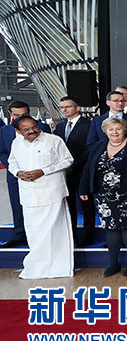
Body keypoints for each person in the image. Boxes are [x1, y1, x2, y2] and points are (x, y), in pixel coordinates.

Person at [79, 118, 127, 277]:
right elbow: (88, 169)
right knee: (111, 229)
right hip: (104, 196)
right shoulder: (98, 146)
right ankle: (113, 263)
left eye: (118, 128)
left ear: (125, 130)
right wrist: (83, 188)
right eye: (111, 129)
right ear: (105, 131)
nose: (115, 132)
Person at [8, 116, 74, 279]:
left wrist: (43, 171)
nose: (32, 131)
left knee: (55, 231)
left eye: (34, 127)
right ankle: (37, 267)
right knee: (34, 232)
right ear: (18, 131)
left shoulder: (53, 140)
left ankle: (60, 268)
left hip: (53, 192)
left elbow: (68, 160)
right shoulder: (16, 143)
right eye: (26, 129)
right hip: (29, 195)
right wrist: (18, 173)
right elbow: (12, 163)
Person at [0, 101, 51, 248]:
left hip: (38, 175)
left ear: (29, 113)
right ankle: (19, 235)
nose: (20, 118)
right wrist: (16, 170)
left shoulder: (42, 128)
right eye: (16, 115)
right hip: (15, 175)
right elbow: (3, 152)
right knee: (17, 205)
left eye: (24, 115)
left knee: (40, 205)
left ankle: (41, 235)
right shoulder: (5, 131)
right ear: (10, 114)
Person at [53, 96, 93, 246]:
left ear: (77, 108)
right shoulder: (60, 127)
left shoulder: (88, 124)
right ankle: (72, 237)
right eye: (62, 107)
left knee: (87, 206)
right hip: (64, 172)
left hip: (82, 170)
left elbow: (89, 148)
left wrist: (73, 166)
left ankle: (88, 237)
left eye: (68, 107)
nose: (64, 110)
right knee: (69, 206)